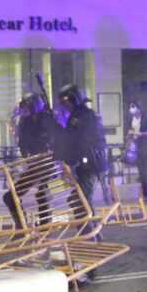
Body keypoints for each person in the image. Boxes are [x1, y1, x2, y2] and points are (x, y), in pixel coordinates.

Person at [5, 93, 58, 227]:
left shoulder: (47, 119)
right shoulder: (25, 122)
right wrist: (26, 157)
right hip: (34, 164)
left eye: (28, 108)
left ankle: (44, 226)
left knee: (42, 193)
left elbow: (55, 140)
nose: (25, 111)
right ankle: (21, 226)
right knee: (10, 197)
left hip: (46, 164)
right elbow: (22, 142)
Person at [55, 84, 106, 214]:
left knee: (81, 200)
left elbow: (79, 140)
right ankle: (89, 228)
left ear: (74, 99)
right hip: (83, 165)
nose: (64, 106)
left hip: (91, 164)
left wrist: (69, 157)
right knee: (79, 200)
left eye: (65, 102)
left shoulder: (85, 116)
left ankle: (91, 229)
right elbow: (70, 139)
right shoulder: (75, 116)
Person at [127, 101, 147, 200]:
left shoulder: (146, 118)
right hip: (138, 148)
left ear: (138, 108)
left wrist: (142, 134)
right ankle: (146, 195)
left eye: (133, 107)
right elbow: (130, 132)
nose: (131, 109)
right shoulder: (131, 119)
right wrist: (129, 136)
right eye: (130, 107)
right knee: (141, 173)